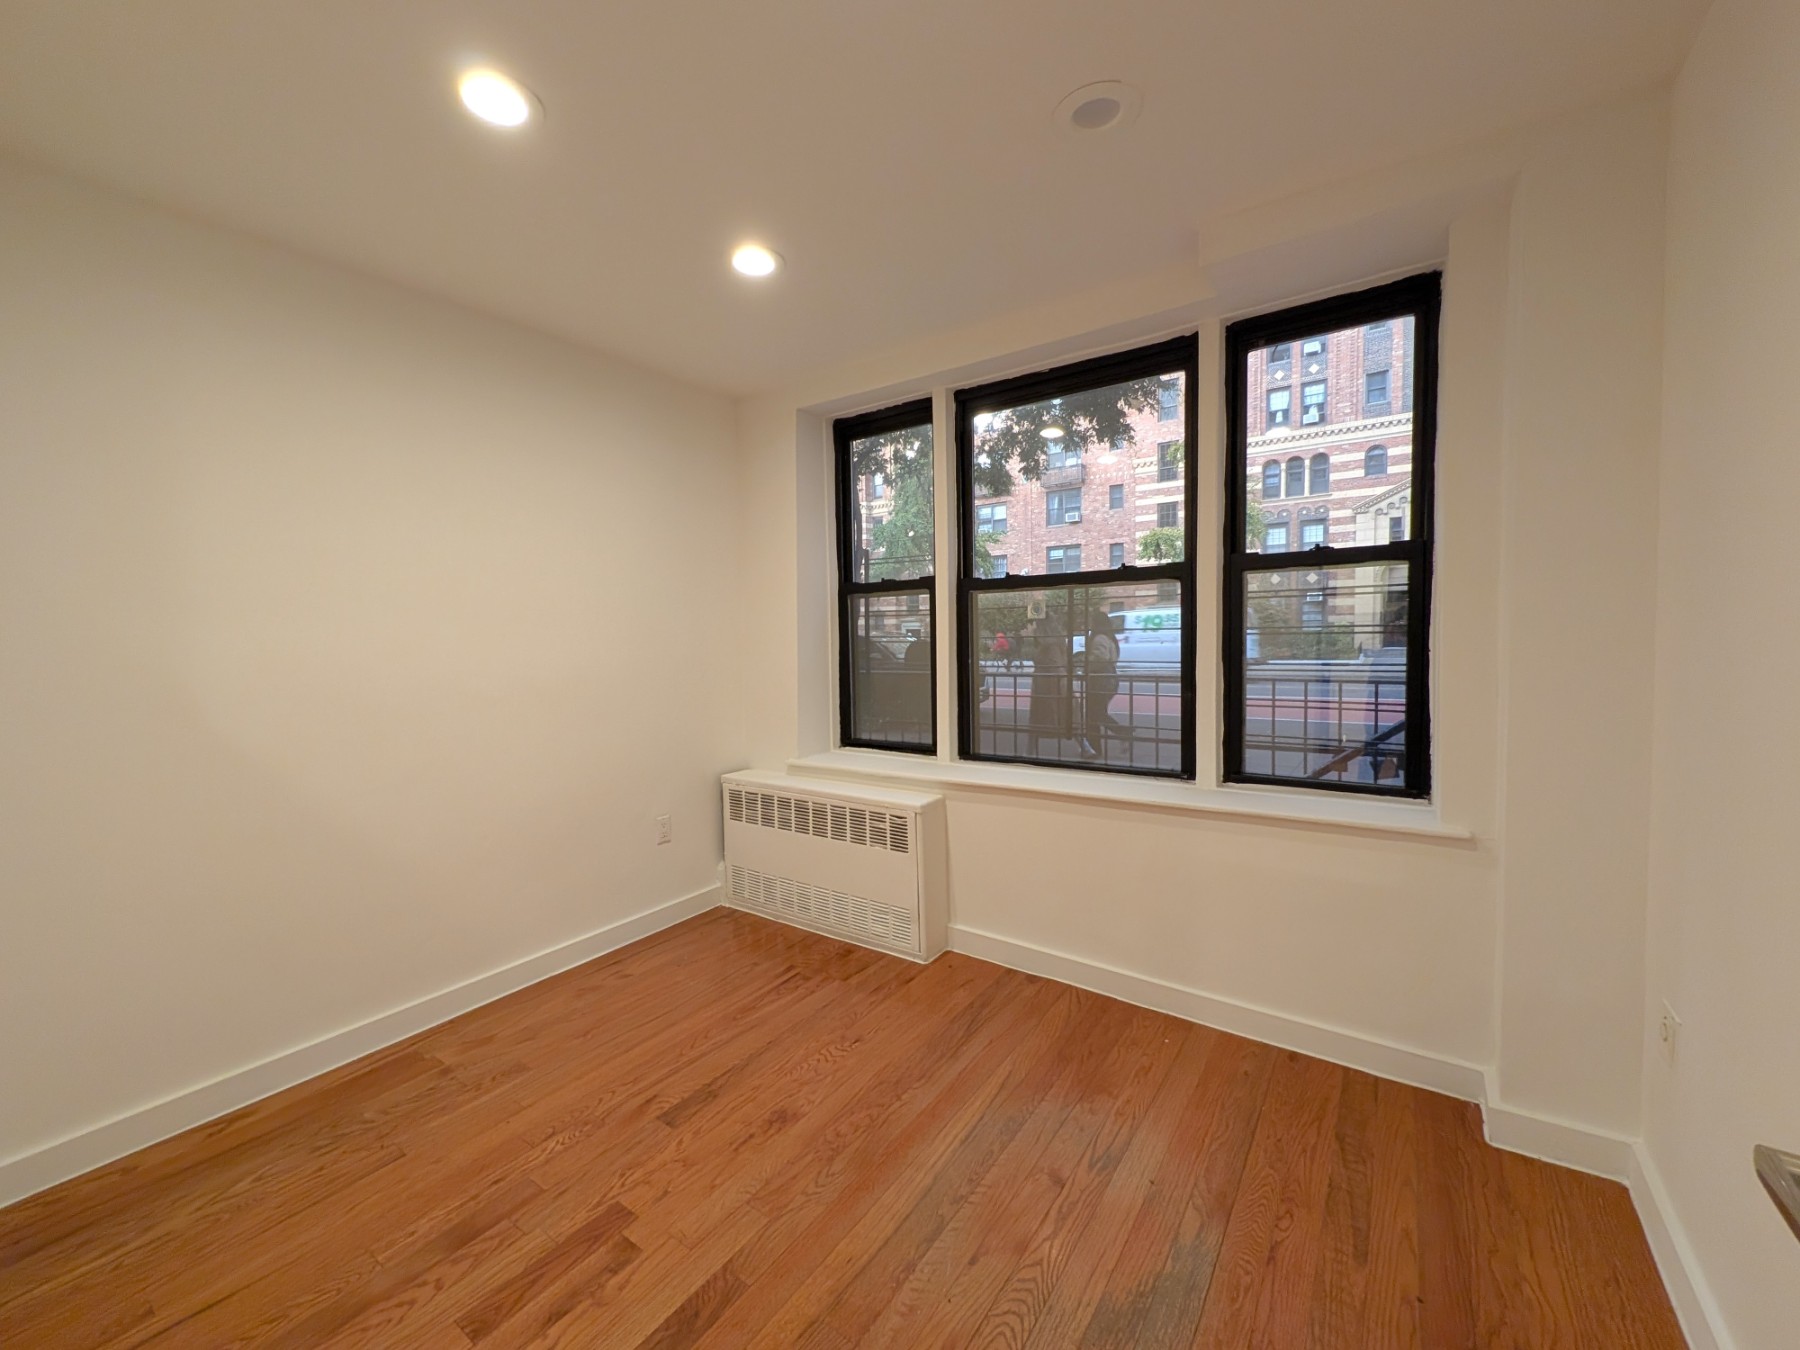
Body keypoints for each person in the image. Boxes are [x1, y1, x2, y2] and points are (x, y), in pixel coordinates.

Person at [1025, 612, 1071, 755]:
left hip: (1044, 679)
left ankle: (1030, 750)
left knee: (1038, 714)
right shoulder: (1059, 638)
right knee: (1066, 711)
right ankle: (1085, 746)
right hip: (1059, 676)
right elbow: (1064, 657)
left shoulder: (1042, 641)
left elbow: (1037, 658)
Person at [1081, 611, 1122, 758]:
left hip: (1100, 680)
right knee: (1096, 713)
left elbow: (1100, 658)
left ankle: (1121, 733)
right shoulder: (1109, 637)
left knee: (1094, 715)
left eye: (1091, 620)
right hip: (1108, 679)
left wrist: (1085, 663)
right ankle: (1095, 747)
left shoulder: (1099, 638)